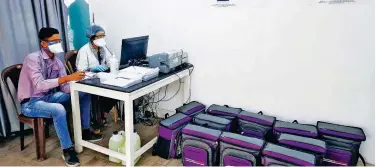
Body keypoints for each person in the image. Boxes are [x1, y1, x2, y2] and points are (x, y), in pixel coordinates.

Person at [18, 27, 103, 167]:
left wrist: (80, 83)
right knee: (58, 109)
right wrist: (67, 78)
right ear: (43, 43)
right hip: (31, 102)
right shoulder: (32, 59)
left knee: (83, 94)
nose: (58, 44)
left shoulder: (56, 61)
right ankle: (67, 149)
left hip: (49, 97)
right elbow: (39, 85)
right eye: (54, 41)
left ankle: (86, 131)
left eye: (59, 41)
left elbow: (64, 87)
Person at [76, 25, 118, 127]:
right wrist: (92, 69)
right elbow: (80, 70)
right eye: (99, 36)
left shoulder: (103, 48)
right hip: (88, 79)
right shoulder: (84, 50)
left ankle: (102, 114)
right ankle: (97, 120)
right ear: (92, 37)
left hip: (101, 77)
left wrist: (111, 64)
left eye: (103, 36)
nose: (102, 38)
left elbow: (109, 61)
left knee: (117, 90)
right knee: (98, 95)